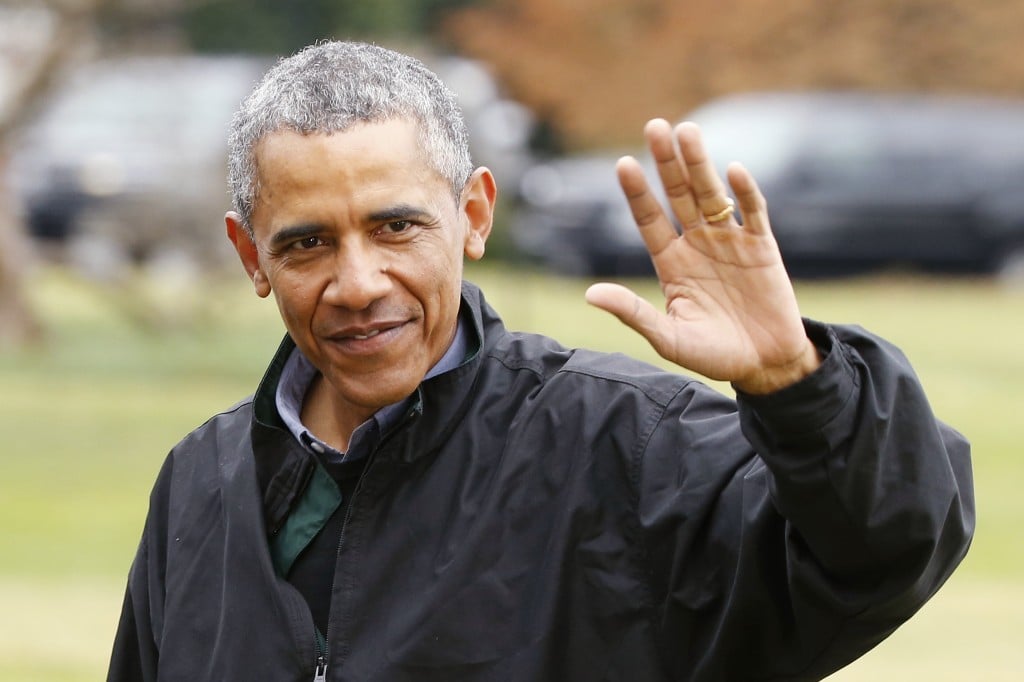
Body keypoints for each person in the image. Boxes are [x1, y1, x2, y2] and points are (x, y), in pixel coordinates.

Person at [107, 41, 974, 682]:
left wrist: (798, 386)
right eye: (306, 244)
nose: (358, 283)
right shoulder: (201, 483)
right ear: (251, 257)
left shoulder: (626, 448)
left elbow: (884, 548)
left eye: (396, 226)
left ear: (474, 215)